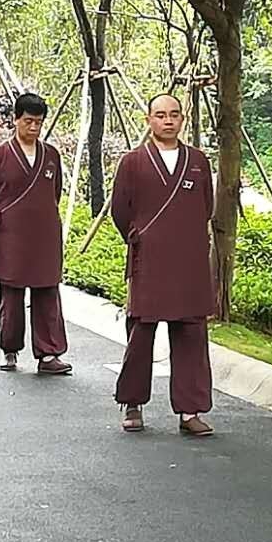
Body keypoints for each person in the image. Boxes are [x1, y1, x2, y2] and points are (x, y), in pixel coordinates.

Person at [111, 93, 215, 437]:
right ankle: (133, 403)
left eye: (173, 115)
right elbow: (120, 211)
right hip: (150, 261)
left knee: (190, 334)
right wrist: (141, 237)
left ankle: (190, 411)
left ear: (182, 119)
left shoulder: (198, 162)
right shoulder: (133, 162)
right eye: (160, 115)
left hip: (190, 262)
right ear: (148, 120)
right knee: (141, 334)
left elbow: (207, 208)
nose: (167, 121)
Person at [0, 93, 71, 375]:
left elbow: (55, 193)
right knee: (12, 294)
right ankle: (10, 348)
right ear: (16, 120)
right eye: (28, 121)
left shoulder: (51, 156)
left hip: (44, 236)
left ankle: (49, 353)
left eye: (38, 123)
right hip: (12, 236)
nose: (33, 128)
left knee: (47, 292)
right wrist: (1, 224)